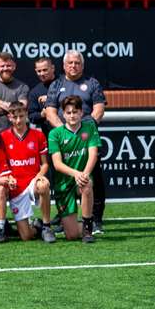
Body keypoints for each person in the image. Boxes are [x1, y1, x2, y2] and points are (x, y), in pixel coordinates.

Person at [44, 50, 107, 232]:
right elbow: (50, 112)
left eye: (77, 63)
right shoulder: (56, 84)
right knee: (63, 178)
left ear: (82, 65)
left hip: (87, 138)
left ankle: (95, 219)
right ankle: (65, 216)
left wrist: (83, 129)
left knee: (93, 178)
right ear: (64, 66)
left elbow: (98, 110)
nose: (73, 66)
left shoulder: (92, 83)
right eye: (70, 63)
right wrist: (65, 132)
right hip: (64, 140)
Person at [46, 96, 99, 243]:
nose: (72, 115)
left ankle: (88, 228)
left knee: (87, 184)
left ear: (81, 112)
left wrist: (84, 174)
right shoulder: (55, 134)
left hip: (81, 179)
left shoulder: (90, 128)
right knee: (71, 235)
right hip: (63, 183)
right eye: (68, 112)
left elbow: (93, 154)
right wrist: (76, 174)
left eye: (75, 112)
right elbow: (57, 164)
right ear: (63, 114)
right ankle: (42, 226)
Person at [0, 100, 54, 244]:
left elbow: (45, 165)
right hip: (16, 187)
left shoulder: (38, 135)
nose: (18, 120)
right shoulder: (3, 137)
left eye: (21, 116)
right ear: (9, 118)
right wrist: (9, 177)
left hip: (32, 182)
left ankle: (46, 227)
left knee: (43, 185)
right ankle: (35, 227)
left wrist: (39, 177)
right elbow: (2, 165)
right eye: (15, 117)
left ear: (26, 115)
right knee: (26, 236)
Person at [0, 53, 31, 131]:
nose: (5, 68)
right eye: (2, 66)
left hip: (15, 134)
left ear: (14, 66)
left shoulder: (22, 87)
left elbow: (21, 108)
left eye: (8, 66)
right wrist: (3, 103)